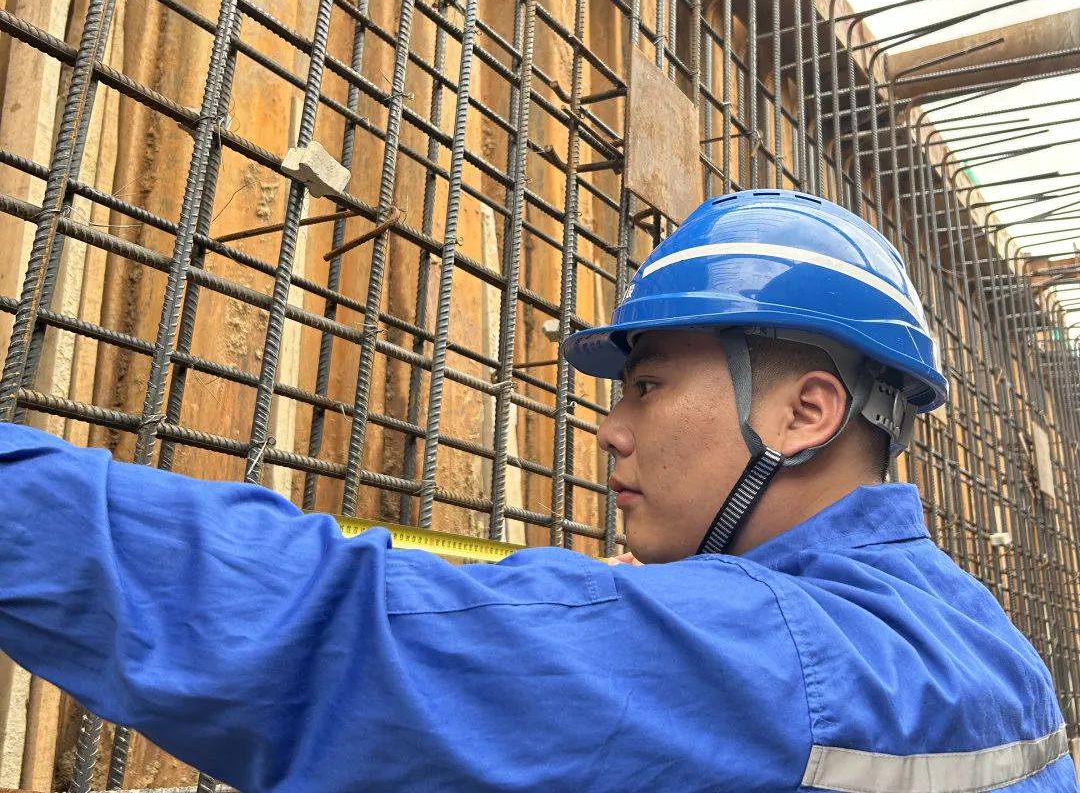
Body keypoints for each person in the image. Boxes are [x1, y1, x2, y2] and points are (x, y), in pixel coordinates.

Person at [0, 189, 1072, 792]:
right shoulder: (979, 636)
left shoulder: (775, 651)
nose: (609, 427)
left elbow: (340, 632)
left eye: (647, 384)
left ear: (805, 413)